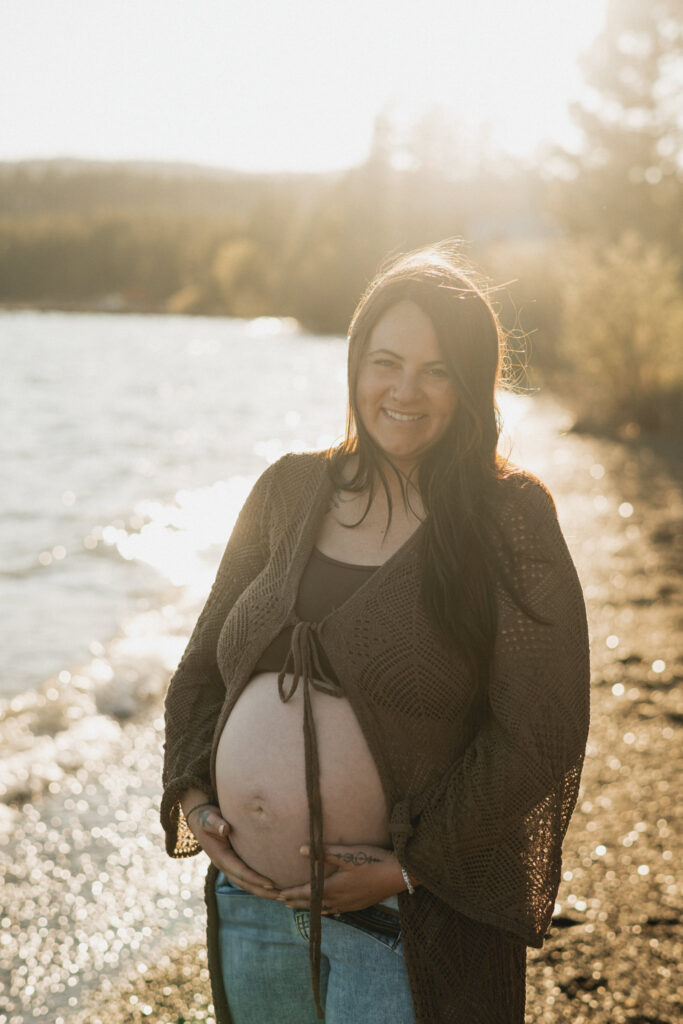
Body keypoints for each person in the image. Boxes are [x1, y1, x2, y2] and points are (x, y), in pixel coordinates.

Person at [161, 242, 590, 1024]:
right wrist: (193, 799)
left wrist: (406, 871)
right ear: (354, 365)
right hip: (250, 904)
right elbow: (202, 670)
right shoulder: (288, 489)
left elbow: (540, 729)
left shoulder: (506, 520)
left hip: (399, 922)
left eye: (437, 370)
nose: (405, 391)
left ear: (473, 382)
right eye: (385, 361)